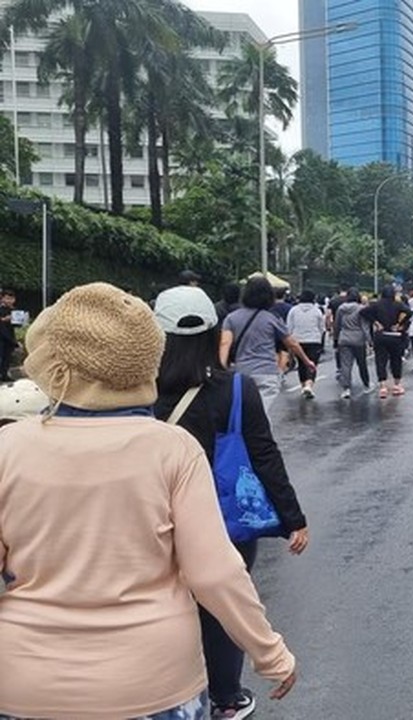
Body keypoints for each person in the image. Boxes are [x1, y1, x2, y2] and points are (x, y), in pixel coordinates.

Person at [0, 282, 297, 720]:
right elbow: (214, 573)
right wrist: (270, 653)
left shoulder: (9, 446)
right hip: (154, 684)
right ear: (144, 358)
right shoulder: (172, 449)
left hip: (24, 681)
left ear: (51, 361)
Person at [152, 285, 309, 719]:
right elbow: (264, 455)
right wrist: (292, 518)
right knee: (221, 604)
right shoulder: (236, 390)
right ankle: (226, 697)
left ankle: (167, 688)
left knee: (159, 599)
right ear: (212, 333)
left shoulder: (138, 392)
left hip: (152, 520)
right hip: (225, 522)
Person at [220, 276, 315, 413]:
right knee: (261, 416)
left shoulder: (231, 318)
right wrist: (307, 361)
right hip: (266, 373)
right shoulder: (272, 318)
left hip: (241, 374)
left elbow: (224, 344)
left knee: (243, 413)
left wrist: (221, 368)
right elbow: (292, 343)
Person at [361, 285, 412, 398]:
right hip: (395, 336)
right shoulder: (398, 304)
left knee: (380, 361)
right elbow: (409, 312)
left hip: (380, 335)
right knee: (396, 360)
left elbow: (363, 312)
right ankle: (396, 385)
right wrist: (399, 324)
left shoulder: (376, 304)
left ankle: (383, 387)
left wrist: (375, 322)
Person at [287, 289, 326, 399]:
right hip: (314, 340)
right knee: (312, 364)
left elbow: (289, 328)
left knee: (301, 365)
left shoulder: (293, 310)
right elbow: (321, 328)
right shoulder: (317, 311)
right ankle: (309, 385)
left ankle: (303, 385)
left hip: (297, 341)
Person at [334, 290, 372, 399]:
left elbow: (337, 324)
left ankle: (346, 389)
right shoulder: (361, 309)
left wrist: (336, 337)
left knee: (345, 365)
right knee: (362, 363)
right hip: (358, 338)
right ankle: (366, 384)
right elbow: (364, 326)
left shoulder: (341, 308)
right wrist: (369, 340)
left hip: (344, 337)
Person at [0, 289, 16, 384]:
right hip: (1, 336)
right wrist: (3, 320)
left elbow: (17, 324)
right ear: (2, 299)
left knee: (7, 357)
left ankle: (4, 375)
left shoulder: (14, 310)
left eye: (11, 298)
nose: (9, 300)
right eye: (7, 298)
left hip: (9, 337)